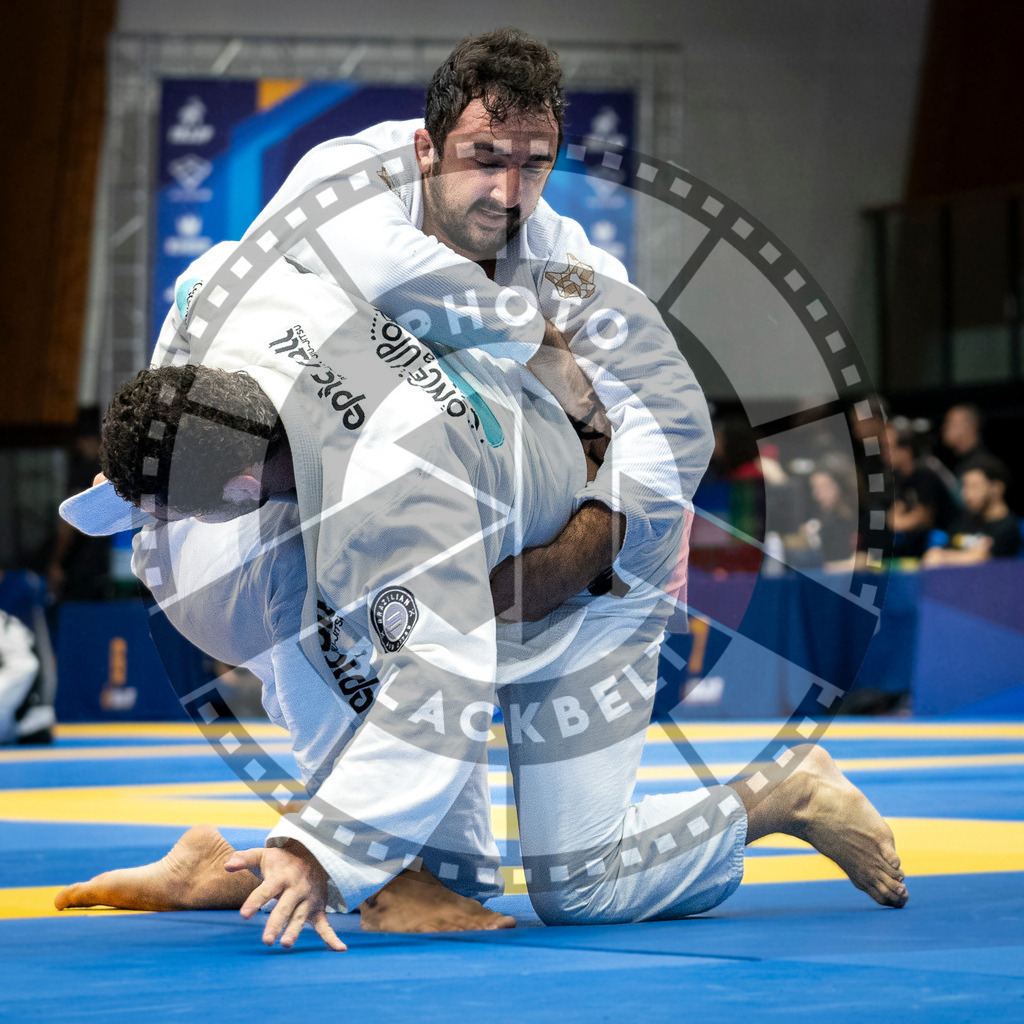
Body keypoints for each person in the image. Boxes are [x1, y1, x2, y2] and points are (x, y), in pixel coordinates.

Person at [58, 253, 907, 947]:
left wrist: (323, 848)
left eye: (181, 509)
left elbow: (445, 690)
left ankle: (783, 793)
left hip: (601, 561)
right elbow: (200, 284)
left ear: (244, 483)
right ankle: (247, 869)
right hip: (488, 519)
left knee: (580, 885)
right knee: (425, 849)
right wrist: (140, 473)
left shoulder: (382, 507)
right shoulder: (249, 308)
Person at [923, 455, 1020, 566]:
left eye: (974, 486)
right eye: (965, 486)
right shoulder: (964, 522)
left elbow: (983, 559)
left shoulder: (1009, 527)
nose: (966, 494)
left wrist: (947, 557)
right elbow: (934, 555)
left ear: (997, 488)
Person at [941, 403, 988, 478]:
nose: (944, 428)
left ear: (970, 426)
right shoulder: (958, 462)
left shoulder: (982, 467)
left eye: (951, 423)